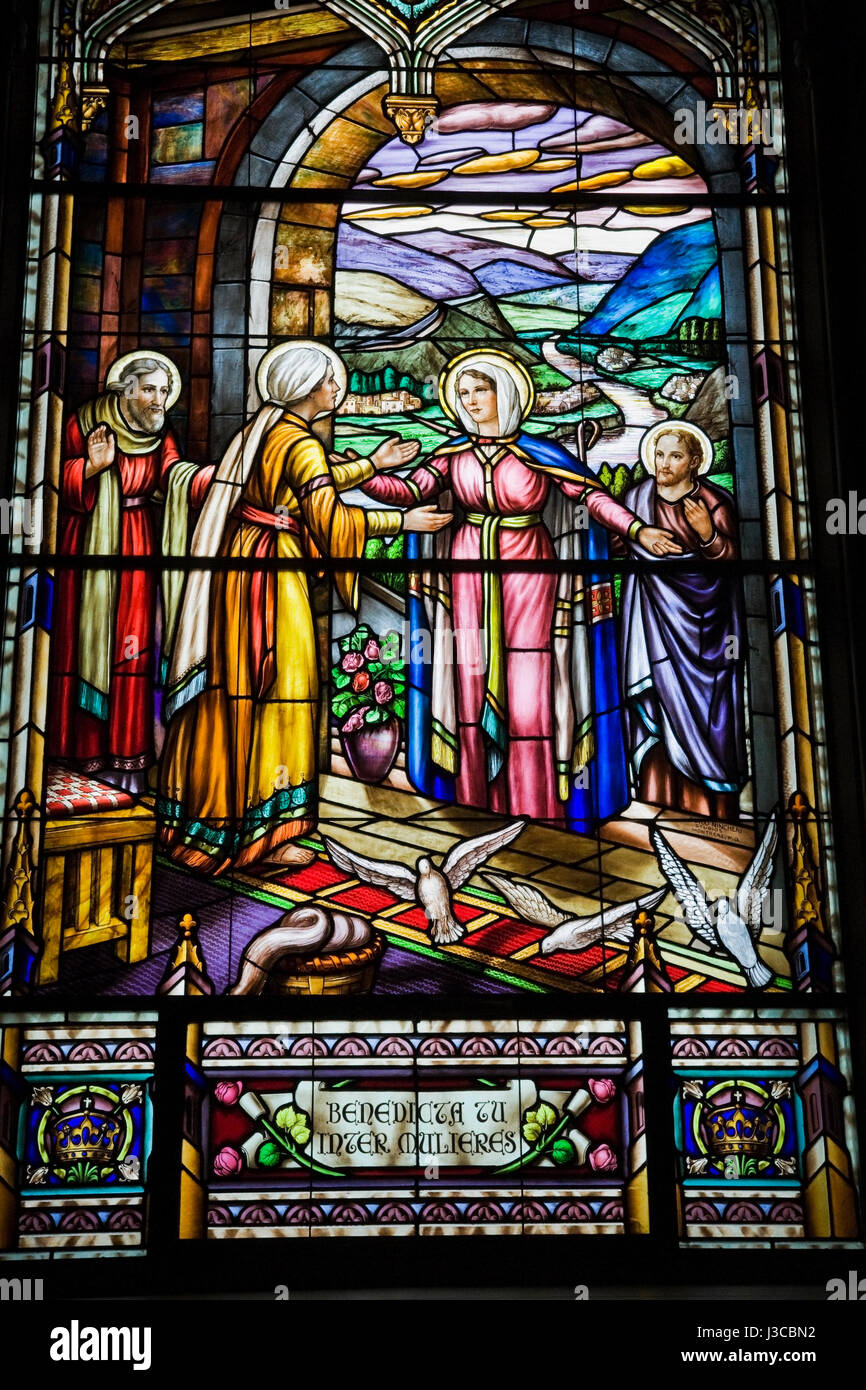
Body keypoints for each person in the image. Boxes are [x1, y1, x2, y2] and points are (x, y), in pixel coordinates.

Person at [158, 340, 448, 875]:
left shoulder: (262, 431)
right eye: (330, 380)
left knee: (235, 687)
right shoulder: (302, 441)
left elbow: (304, 481)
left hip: (238, 565)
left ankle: (210, 823)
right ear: (308, 388)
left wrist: (370, 464)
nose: (337, 388)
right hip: (274, 573)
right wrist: (401, 521)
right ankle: (263, 834)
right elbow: (327, 517)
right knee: (283, 689)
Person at [359, 349, 681, 828]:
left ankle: (535, 798)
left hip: (530, 566)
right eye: (463, 393)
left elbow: (591, 497)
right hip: (466, 564)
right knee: (469, 670)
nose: (470, 401)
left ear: (506, 393)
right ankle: (475, 795)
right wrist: (362, 468)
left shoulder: (538, 453)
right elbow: (407, 493)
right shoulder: (450, 455)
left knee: (530, 675)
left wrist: (637, 530)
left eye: (480, 390)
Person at [48, 352, 214, 793]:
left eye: (164, 391)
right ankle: (79, 752)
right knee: (83, 645)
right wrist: (92, 466)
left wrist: (216, 480)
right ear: (126, 389)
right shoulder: (85, 423)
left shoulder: (160, 434)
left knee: (132, 653)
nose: (158, 400)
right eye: (150, 389)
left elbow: (175, 477)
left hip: (139, 547)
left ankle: (125, 758)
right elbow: (49, 482)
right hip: (88, 548)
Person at [616, 421, 746, 818]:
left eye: (675, 456)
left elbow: (732, 563)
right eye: (660, 454)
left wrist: (708, 535)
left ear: (694, 462)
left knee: (708, 716)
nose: (664, 463)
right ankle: (656, 802)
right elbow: (615, 545)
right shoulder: (636, 499)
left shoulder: (715, 503)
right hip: (651, 624)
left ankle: (712, 812)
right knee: (656, 702)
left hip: (707, 634)